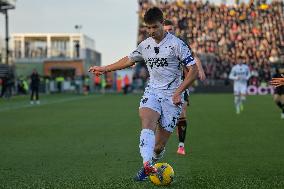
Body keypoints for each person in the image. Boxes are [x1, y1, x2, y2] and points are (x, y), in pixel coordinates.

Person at [89, 7, 198, 181]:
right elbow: (128, 60)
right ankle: (147, 165)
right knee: (147, 122)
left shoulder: (177, 45)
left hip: (172, 97)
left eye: (154, 27)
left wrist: (179, 92)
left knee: (158, 146)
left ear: (162, 23)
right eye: (148, 28)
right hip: (153, 91)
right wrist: (104, 68)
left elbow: (193, 71)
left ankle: (152, 160)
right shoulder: (145, 45)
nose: (151, 31)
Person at [163, 19, 206, 155]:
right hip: (162, 86)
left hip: (180, 84)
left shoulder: (180, 44)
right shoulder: (154, 45)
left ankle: (181, 145)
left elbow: (193, 58)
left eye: (170, 30)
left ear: (174, 30)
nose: (168, 32)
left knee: (181, 112)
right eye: (166, 30)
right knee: (164, 117)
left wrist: (200, 69)